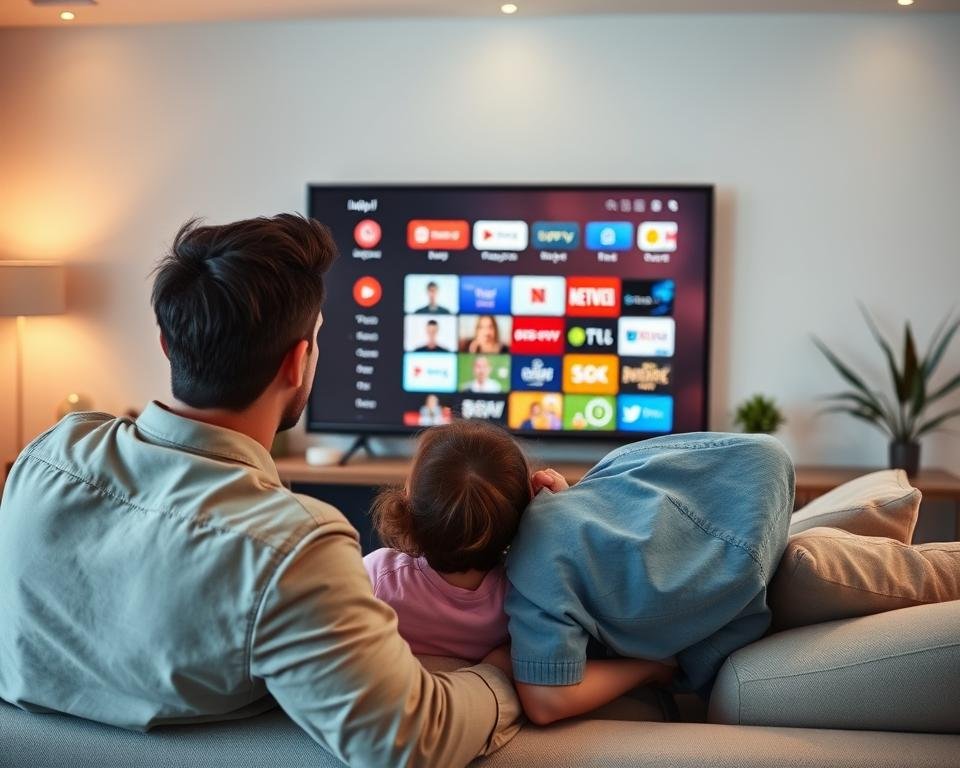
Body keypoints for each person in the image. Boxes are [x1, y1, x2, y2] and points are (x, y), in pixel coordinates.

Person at [0, 215, 520, 767]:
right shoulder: (297, 545)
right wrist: (500, 674)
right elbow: (413, 739)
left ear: (165, 344)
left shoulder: (49, 454)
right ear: (297, 362)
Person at [364, 420, 795, 726]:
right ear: (527, 502)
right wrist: (561, 508)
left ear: (410, 506)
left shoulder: (380, 582)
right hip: (751, 484)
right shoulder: (526, 583)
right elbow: (569, 558)